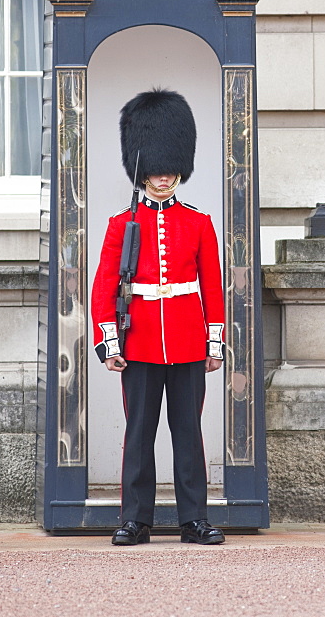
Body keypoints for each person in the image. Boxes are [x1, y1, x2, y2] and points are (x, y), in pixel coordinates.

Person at [91, 88, 226, 546]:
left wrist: (214, 341)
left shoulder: (199, 222)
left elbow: (212, 287)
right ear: (141, 169)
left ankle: (194, 519)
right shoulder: (120, 224)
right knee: (139, 434)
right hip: (142, 341)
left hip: (188, 342)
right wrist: (109, 342)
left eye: (170, 168)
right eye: (154, 168)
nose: (163, 176)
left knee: (188, 434)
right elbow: (104, 287)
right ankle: (136, 520)